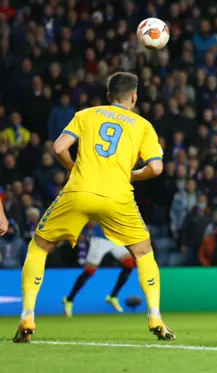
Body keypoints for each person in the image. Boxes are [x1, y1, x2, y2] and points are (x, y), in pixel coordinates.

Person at [13, 72, 174, 343]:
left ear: (109, 97)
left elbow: (58, 147)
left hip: (78, 191)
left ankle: (27, 315)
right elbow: (157, 168)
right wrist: (130, 175)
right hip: (118, 197)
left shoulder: (86, 114)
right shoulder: (143, 125)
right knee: (144, 253)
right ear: (134, 97)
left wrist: (73, 168)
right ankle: (155, 315)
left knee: (39, 247)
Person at [62, 223, 135, 317]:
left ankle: (113, 296)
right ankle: (69, 300)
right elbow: (90, 220)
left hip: (114, 238)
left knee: (129, 263)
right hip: (100, 239)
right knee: (90, 270)